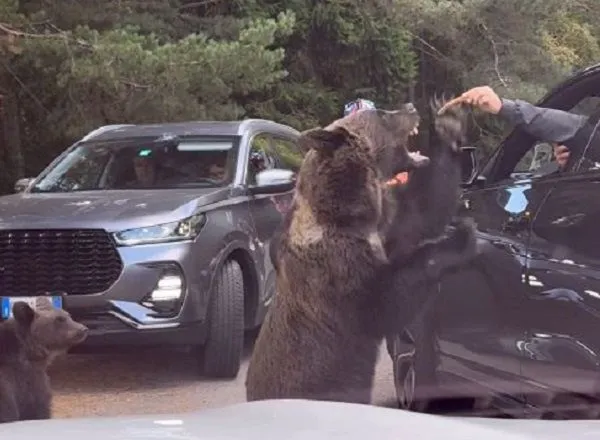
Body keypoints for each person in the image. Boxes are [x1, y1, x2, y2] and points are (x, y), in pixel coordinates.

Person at [439, 86, 600, 169]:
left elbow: (567, 125)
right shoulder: (589, 132)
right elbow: (567, 125)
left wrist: (502, 106)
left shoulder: (588, 133)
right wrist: (576, 165)